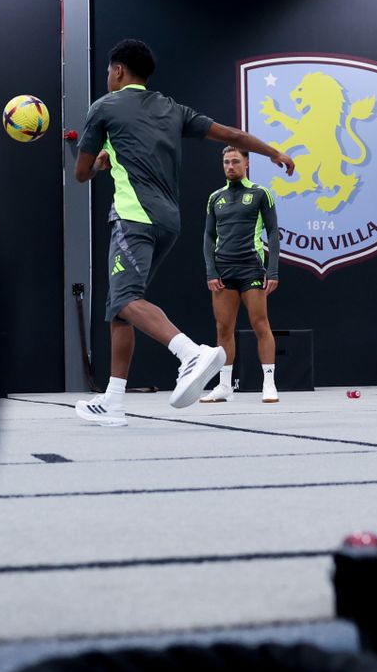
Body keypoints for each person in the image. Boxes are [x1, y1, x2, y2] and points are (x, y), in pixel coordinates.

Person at [72, 39, 295, 426]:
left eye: (109, 71)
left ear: (119, 71)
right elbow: (232, 135)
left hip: (132, 217)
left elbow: (80, 173)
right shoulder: (173, 108)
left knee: (125, 299)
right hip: (168, 222)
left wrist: (100, 165)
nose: (108, 76)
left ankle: (190, 352)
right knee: (122, 308)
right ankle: (112, 400)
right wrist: (273, 152)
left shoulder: (103, 108)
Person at [199, 146, 282, 404]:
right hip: (224, 270)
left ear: (246, 164)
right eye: (226, 162)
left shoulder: (260, 194)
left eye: (235, 161)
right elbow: (208, 236)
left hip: (251, 268)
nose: (230, 166)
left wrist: (273, 270)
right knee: (224, 329)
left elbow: (273, 233)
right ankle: (224, 386)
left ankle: (268, 383)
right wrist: (211, 270)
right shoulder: (215, 197)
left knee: (260, 324)